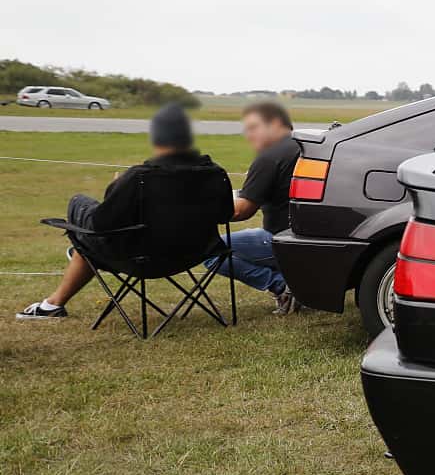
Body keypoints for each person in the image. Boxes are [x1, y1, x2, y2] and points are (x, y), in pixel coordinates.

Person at [17, 103, 224, 320]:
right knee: (89, 244)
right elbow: (224, 215)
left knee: (80, 203)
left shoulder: (139, 177)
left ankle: (57, 296)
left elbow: (102, 225)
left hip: (141, 260)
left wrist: (114, 190)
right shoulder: (215, 173)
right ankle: (63, 285)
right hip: (195, 254)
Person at [205, 100, 304, 313]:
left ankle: (283, 286)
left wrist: (198, 211)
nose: (249, 135)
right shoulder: (308, 146)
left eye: (253, 128)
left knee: (208, 252)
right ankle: (297, 284)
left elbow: (242, 210)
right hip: (316, 241)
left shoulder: (270, 157)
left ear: (276, 124)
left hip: (281, 240)